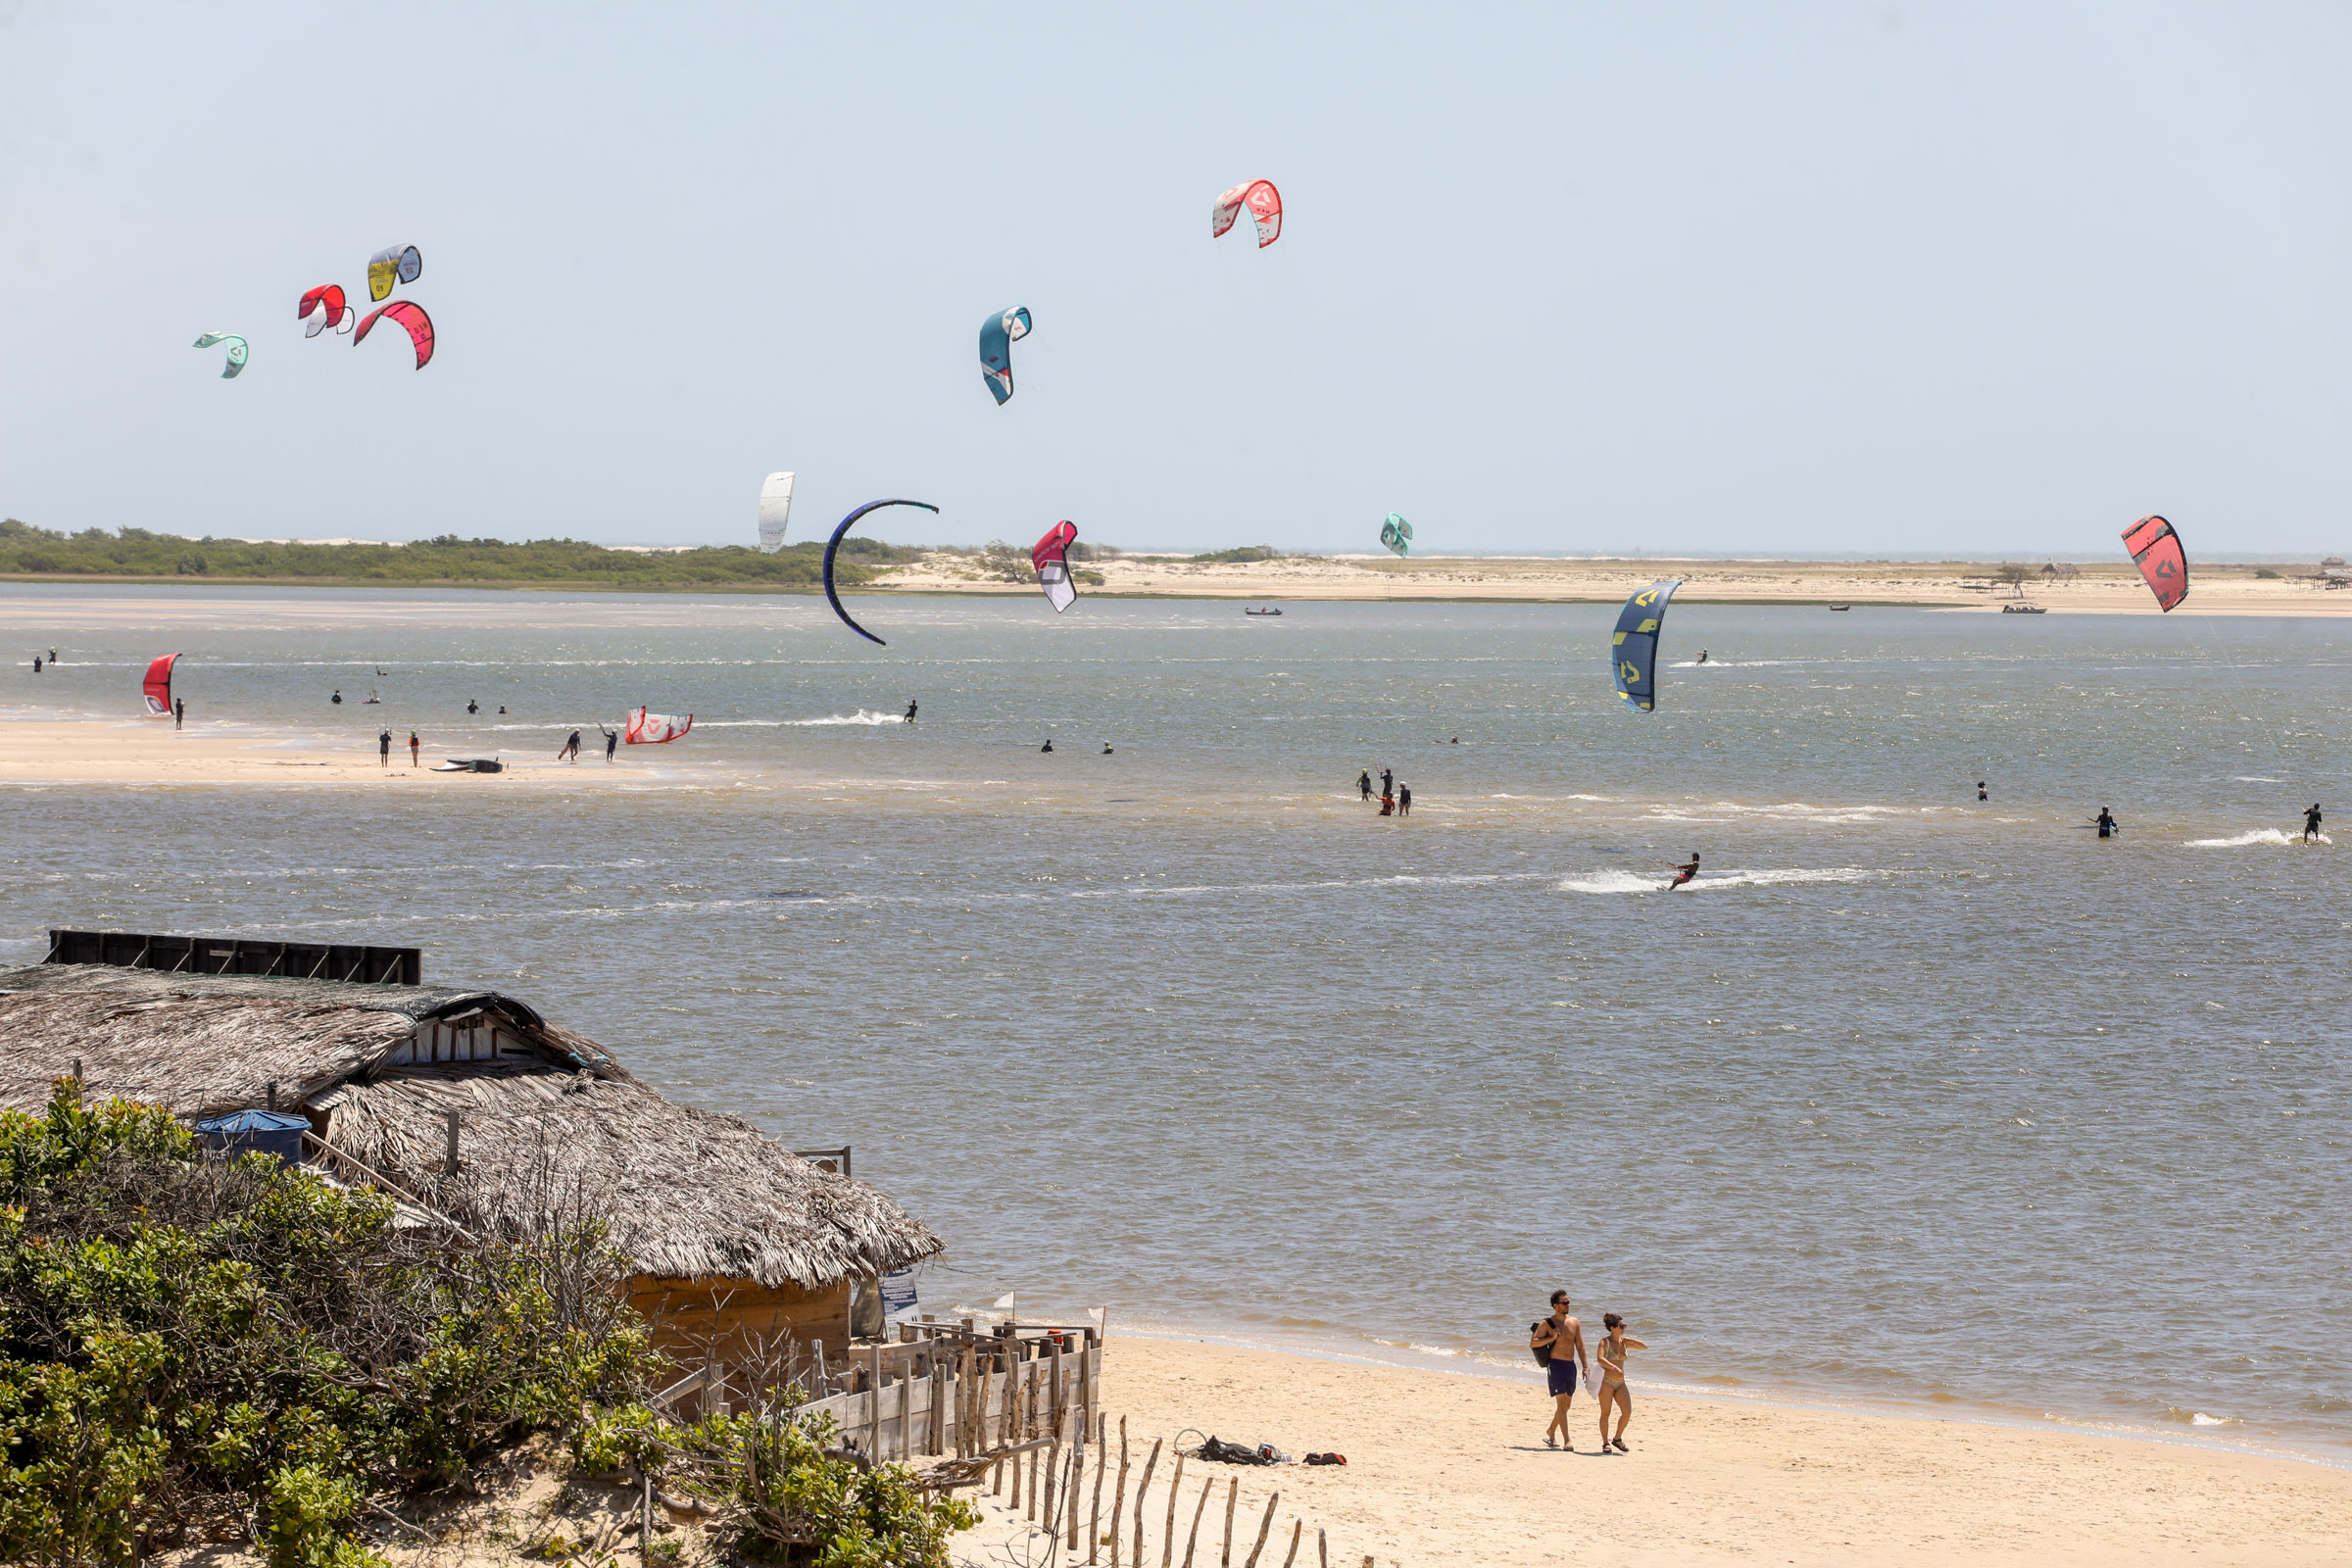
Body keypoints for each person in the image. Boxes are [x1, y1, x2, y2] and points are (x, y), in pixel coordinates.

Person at [1529, 1291, 1591, 1450]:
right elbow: (1534, 1343)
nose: (1568, 1305)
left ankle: (1551, 1430)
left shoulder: (1575, 1322)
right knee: (1562, 1403)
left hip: (1570, 1366)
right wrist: (1551, 1338)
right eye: (1564, 1303)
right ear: (1556, 1306)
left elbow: (1580, 1346)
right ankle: (1567, 1441)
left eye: (1569, 1302)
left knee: (1566, 1406)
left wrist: (1585, 1367)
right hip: (1555, 1366)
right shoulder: (1547, 1323)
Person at [1593, 1313, 1647, 1453]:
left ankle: (1617, 1438)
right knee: (1606, 1412)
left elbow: (1644, 1347)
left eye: (1625, 1326)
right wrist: (1613, 1367)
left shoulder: (1624, 1342)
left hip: (1620, 1383)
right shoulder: (1604, 1342)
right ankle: (1605, 1443)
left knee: (1627, 1411)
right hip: (1606, 1381)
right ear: (1612, 1328)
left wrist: (1629, 1339)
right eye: (1621, 1326)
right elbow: (1600, 1359)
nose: (1623, 1328)